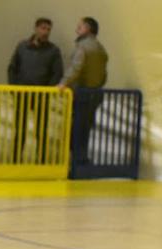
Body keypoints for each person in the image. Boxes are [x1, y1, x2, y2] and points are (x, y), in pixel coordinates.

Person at [7, 17, 61, 163]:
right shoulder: (22, 47)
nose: (46, 32)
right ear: (36, 29)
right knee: (20, 129)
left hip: (41, 95)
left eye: (48, 29)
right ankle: (16, 160)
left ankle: (42, 160)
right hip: (22, 93)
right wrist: (14, 88)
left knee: (41, 130)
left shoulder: (53, 50)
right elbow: (12, 68)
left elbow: (57, 73)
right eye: (43, 28)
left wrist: (48, 91)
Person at [58, 16, 107, 165]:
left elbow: (76, 68)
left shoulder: (83, 47)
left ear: (87, 29)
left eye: (79, 27)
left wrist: (62, 84)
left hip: (82, 94)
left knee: (77, 129)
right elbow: (103, 74)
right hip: (96, 93)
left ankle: (77, 163)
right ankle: (82, 159)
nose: (76, 30)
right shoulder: (101, 48)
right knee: (86, 129)